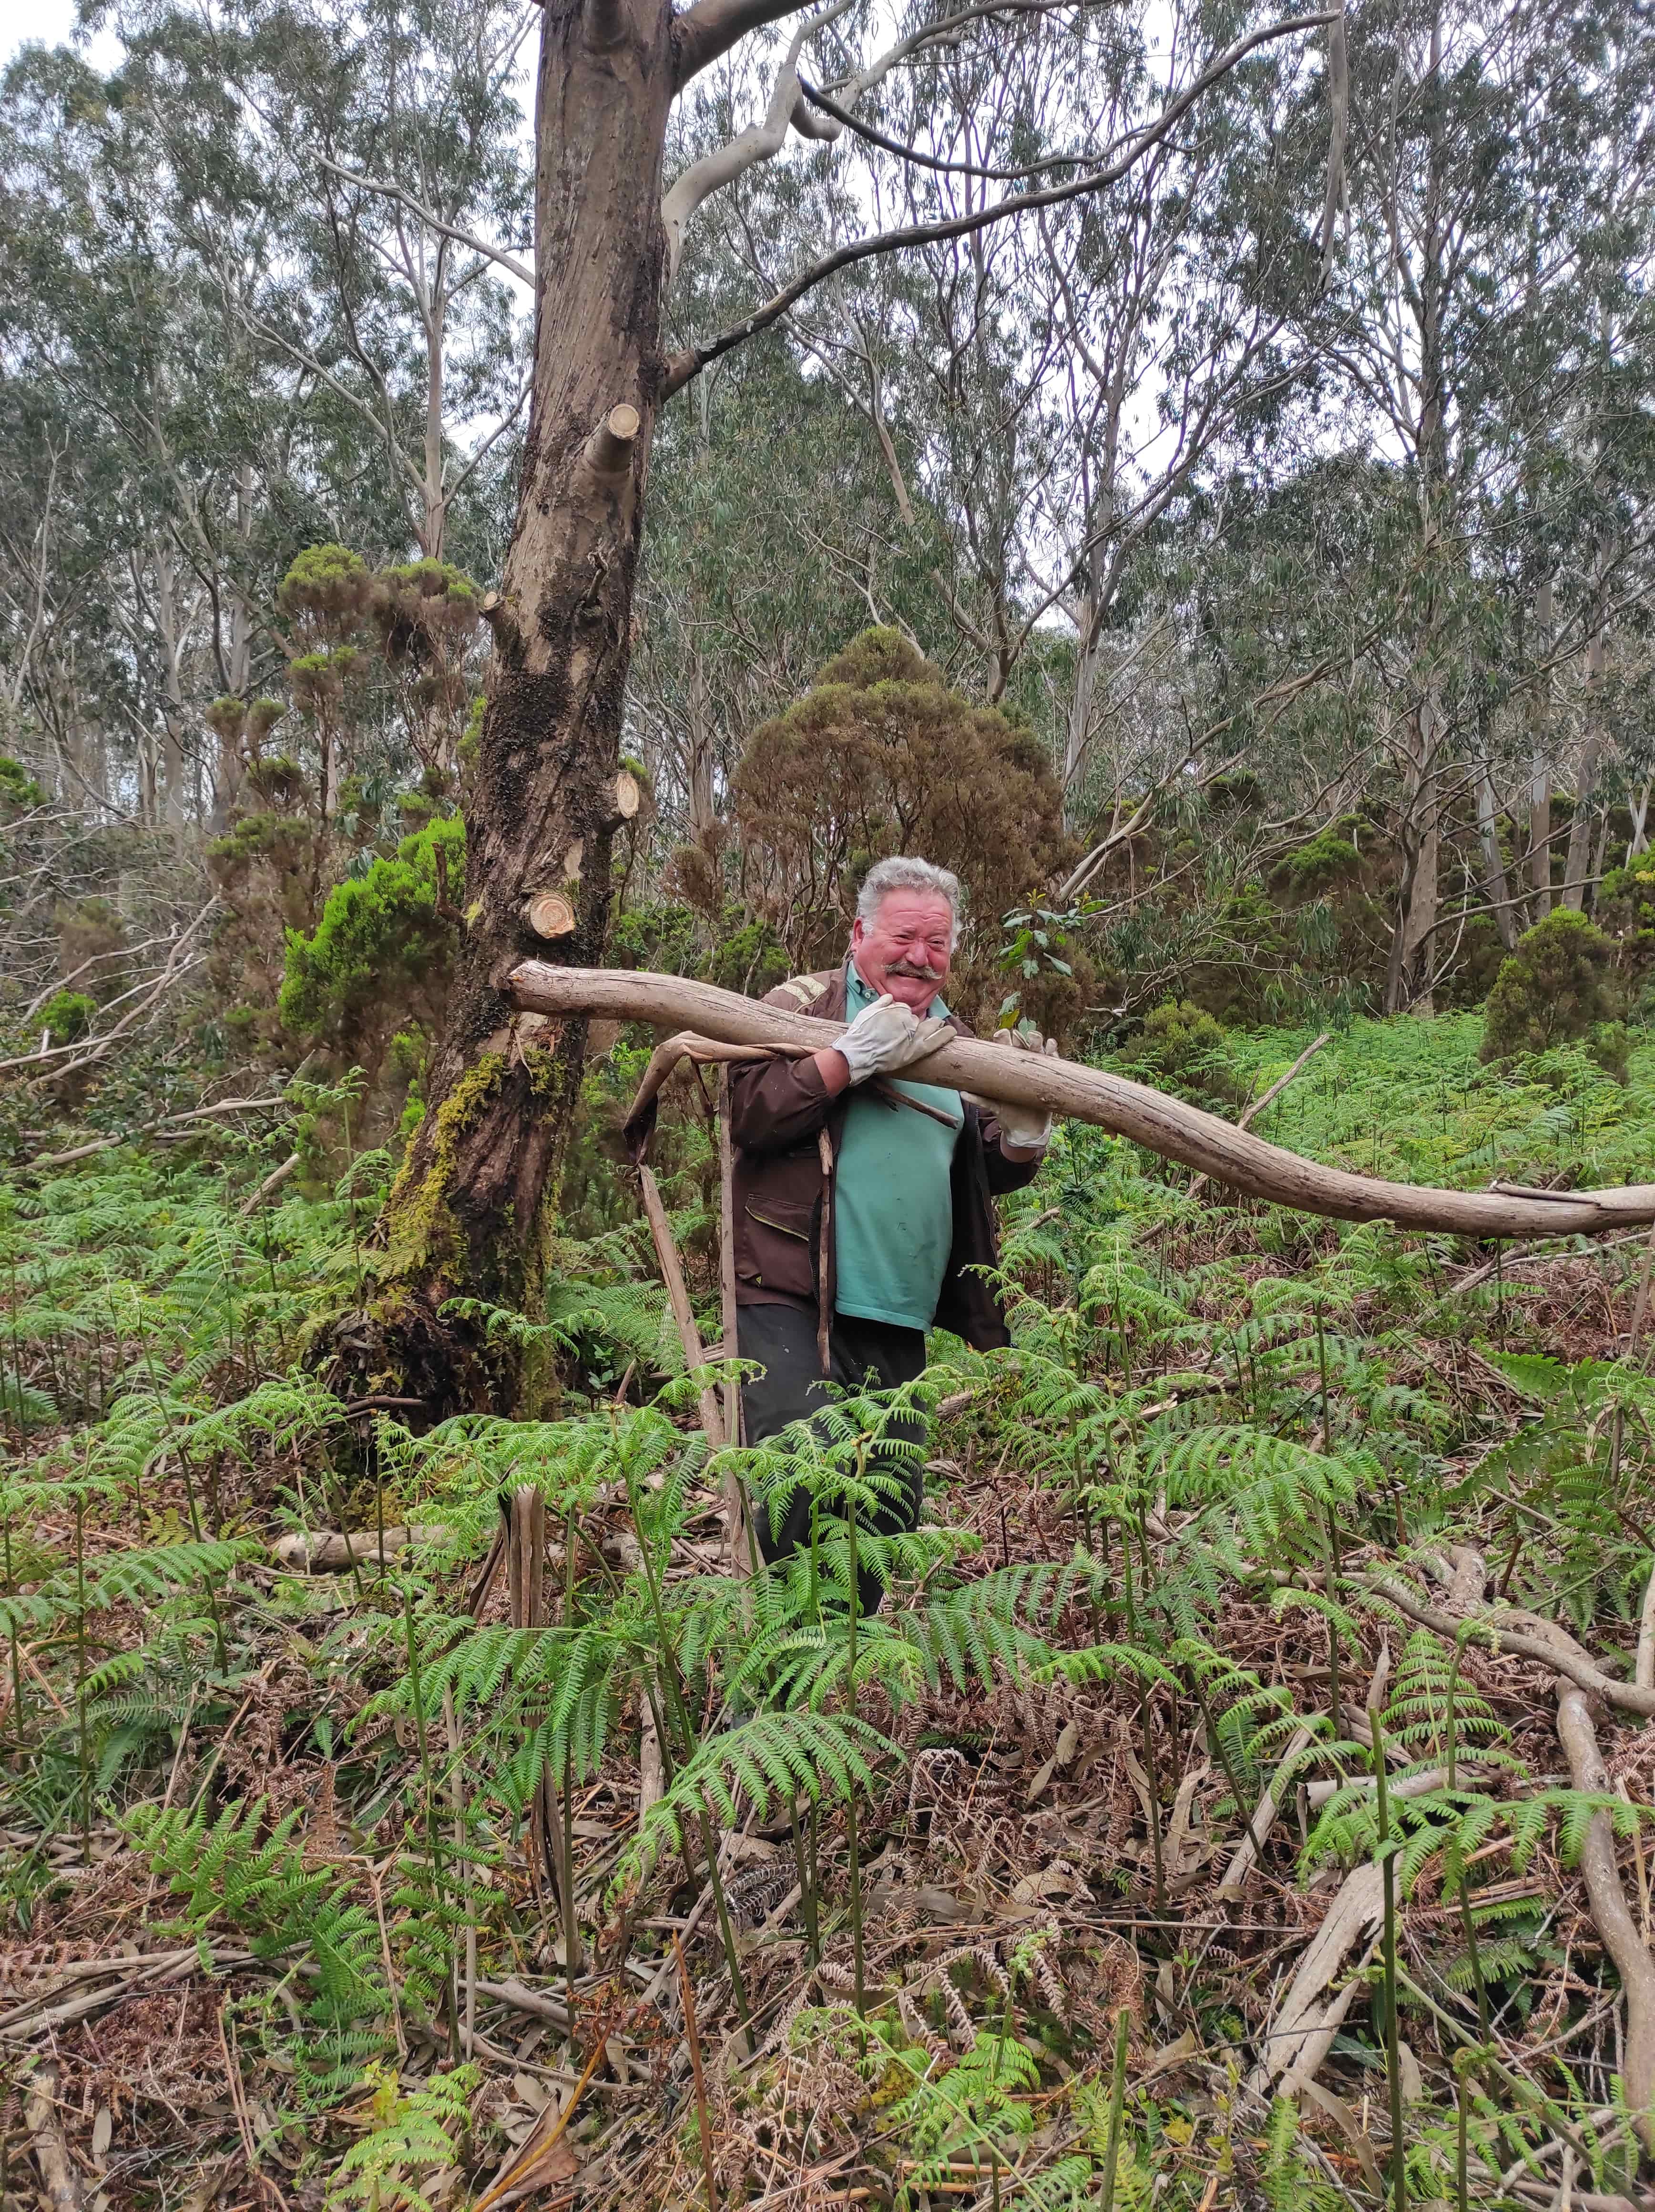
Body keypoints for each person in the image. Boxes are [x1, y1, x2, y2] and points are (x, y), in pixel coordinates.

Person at [726, 856, 1057, 1603]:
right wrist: (845, 1060)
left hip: (899, 1313)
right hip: (789, 1295)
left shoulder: (954, 1041)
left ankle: (850, 1667)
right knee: (801, 1484)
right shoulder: (799, 1006)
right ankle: (790, 1664)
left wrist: (1024, 1134)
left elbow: (983, 1166)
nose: (920, 957)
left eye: (937, 944)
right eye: (904, 938)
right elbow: (751, 1114)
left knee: (885, 1509)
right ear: (859, 934)